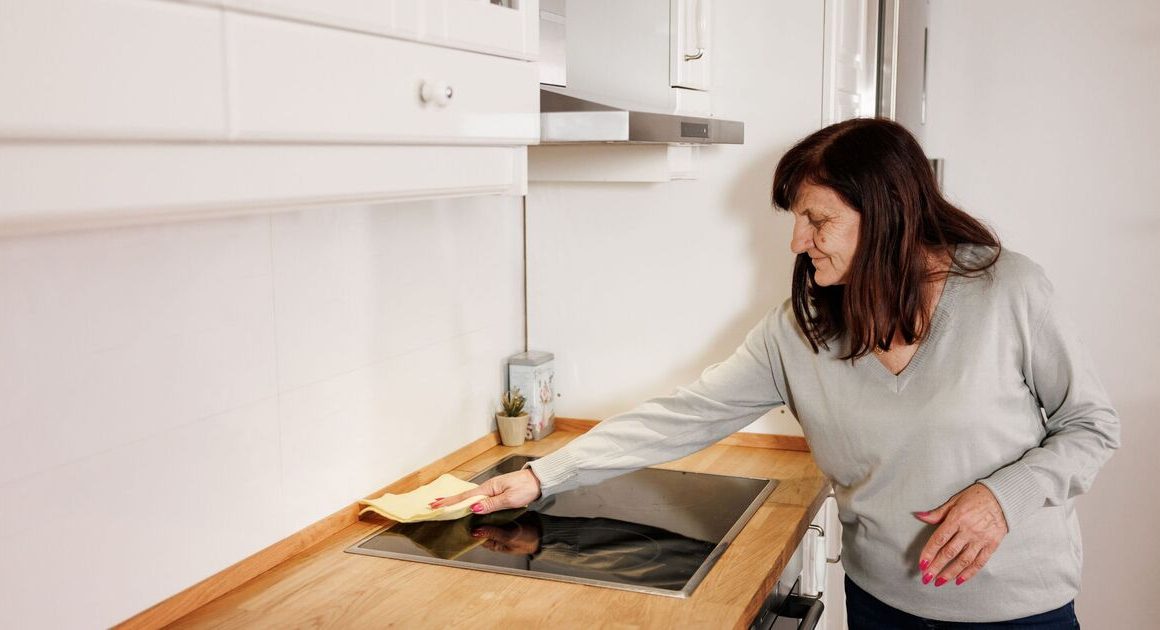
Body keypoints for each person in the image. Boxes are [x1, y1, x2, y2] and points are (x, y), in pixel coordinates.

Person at [430, 118, 1119, 628]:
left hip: (1019, 608)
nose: (797, 241)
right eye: (797, 219)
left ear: (886, 216)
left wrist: (1004, 497)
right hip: (884, 603)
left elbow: (1091, 425)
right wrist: (541, 475)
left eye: (817, 220)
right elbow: (684, 415)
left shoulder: (1008, 292)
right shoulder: (801, 332)